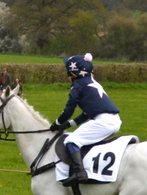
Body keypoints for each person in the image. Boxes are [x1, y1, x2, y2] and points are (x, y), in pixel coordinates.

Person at [49, 53, 121, 186]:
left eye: (68, 73)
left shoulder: (78, 86)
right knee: (80, 138)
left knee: (71, 141)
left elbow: (68, 110)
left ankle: (80, 172)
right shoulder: (92, 82)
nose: (67, 76)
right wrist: (67, 125)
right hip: (114, 121)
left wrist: (57, 123)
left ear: (74, 74)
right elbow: (86, 114)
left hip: (103, 122)